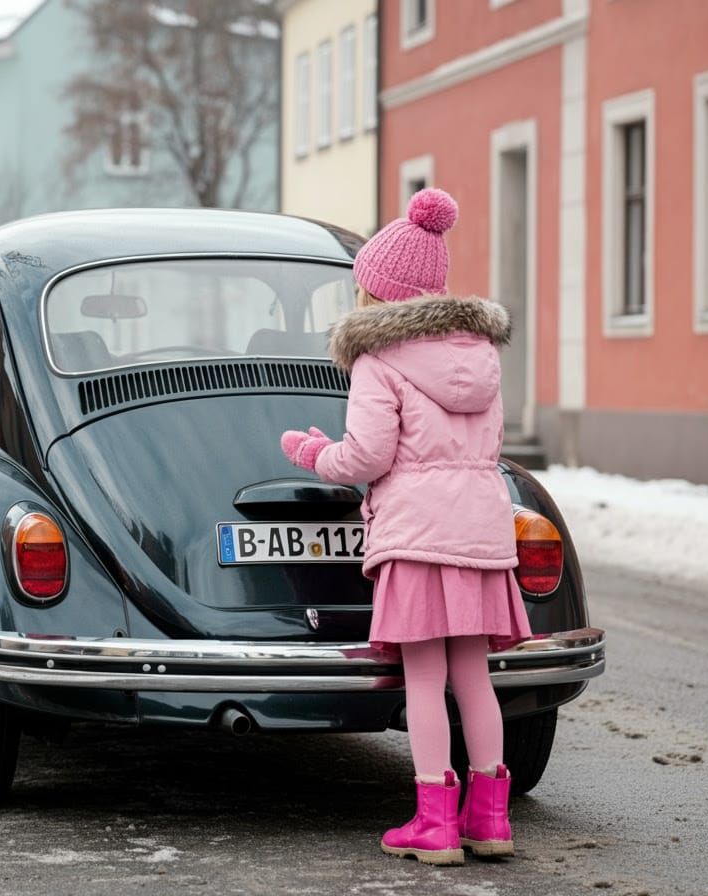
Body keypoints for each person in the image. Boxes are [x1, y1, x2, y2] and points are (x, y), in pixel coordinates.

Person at [280, 188, 532, 866]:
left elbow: (367, 456)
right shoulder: (481, 355)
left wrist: (311, 454)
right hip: (481, 533)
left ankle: (434, 823)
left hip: (418, 536)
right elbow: (489, 446)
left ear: (376, 292)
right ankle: (491, 820)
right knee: (474, 677)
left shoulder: (377, 359)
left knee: (423, 680)